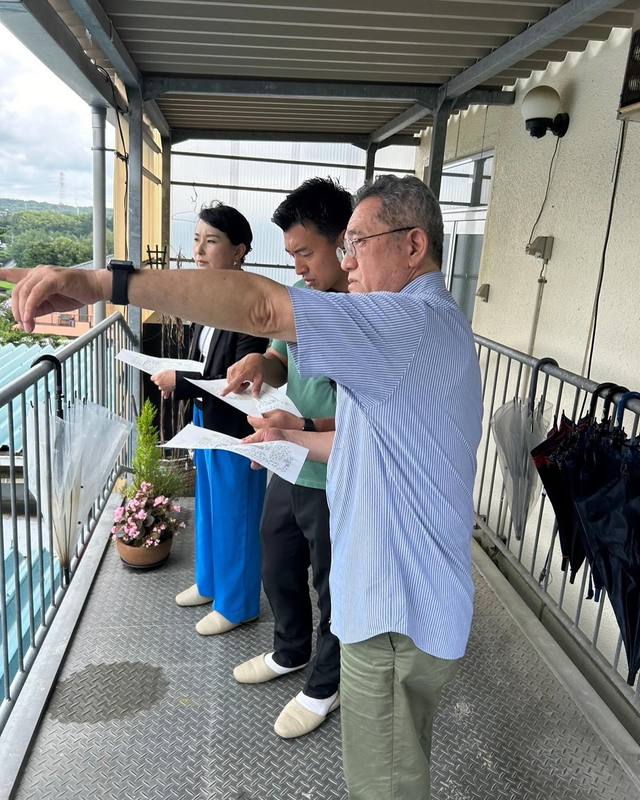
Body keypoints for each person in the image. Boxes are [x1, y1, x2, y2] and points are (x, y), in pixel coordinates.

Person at [2, 174, 483, 800]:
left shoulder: (405, 321)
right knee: (396, 761)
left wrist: (101, 284)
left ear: (414, 245)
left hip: (394, 616)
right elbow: (371, 443)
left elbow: (261, 308)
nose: (347, 262)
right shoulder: (427, 324)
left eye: (358, 244)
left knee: (384, 784)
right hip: (410, 607)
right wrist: (294, 435)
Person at [224, 178, 352, 739]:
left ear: (344, 242)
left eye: (306, 253)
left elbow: (372, 420)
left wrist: (300, 428)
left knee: (332, 583)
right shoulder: (301, 297)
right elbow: (280, 359)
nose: (298, 266)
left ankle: (328, 682)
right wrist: (260, 363)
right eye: (291, 254)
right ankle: (290, 649)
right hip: (290, 457)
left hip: (336, 470)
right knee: (276, 558)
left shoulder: (366, 312)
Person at [151, 203, 268, 636]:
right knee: (210, 507)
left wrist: (179, 382)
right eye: (197, 240)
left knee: (236, 515)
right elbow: (204, 362)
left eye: (211, 241)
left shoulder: (251, 305)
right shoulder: (210, 299)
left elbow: (238, 380)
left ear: (239, 250)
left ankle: (238, 605)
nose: (198, 251)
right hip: (206, 417)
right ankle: (210, 582)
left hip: (237, 429)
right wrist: (178, 375)